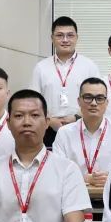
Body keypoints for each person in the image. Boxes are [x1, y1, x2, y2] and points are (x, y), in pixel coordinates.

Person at [0, 90, 91, 222]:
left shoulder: (67, 169)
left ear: (47, 122)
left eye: (34, 115)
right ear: (8, 123)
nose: (27, 122)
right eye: (19, 116)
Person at [29, 16, 102, 145]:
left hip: (82, 126)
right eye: (60, 35)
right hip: (48, 128)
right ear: (52, 38)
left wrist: (76, 117)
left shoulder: (89, 66)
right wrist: (50, 120)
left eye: (70, 35)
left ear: (76, 38)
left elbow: (98, 98)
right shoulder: (41, 67)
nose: (65, 40)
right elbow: (33, 101)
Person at [53, 78, 111, 188]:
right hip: (73, 193)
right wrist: (84, 178)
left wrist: (109, 178)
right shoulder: (64, 133)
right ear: (79, 101)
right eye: (88, 97)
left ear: (107, 103)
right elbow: (58, 171)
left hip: (110, 193)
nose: (94, 103)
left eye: (99, 98)